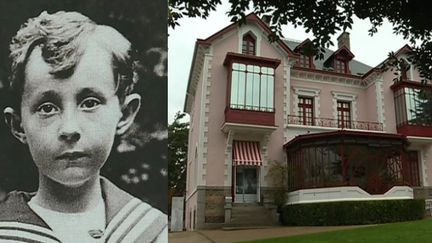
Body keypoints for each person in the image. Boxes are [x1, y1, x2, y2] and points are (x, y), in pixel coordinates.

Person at [0, 11, 167, 243]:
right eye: (47, 108)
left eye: (90, 103)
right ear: (18, 125)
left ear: (125, 113)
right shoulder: (7, 232)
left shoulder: (151, 232)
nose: (70, 128)